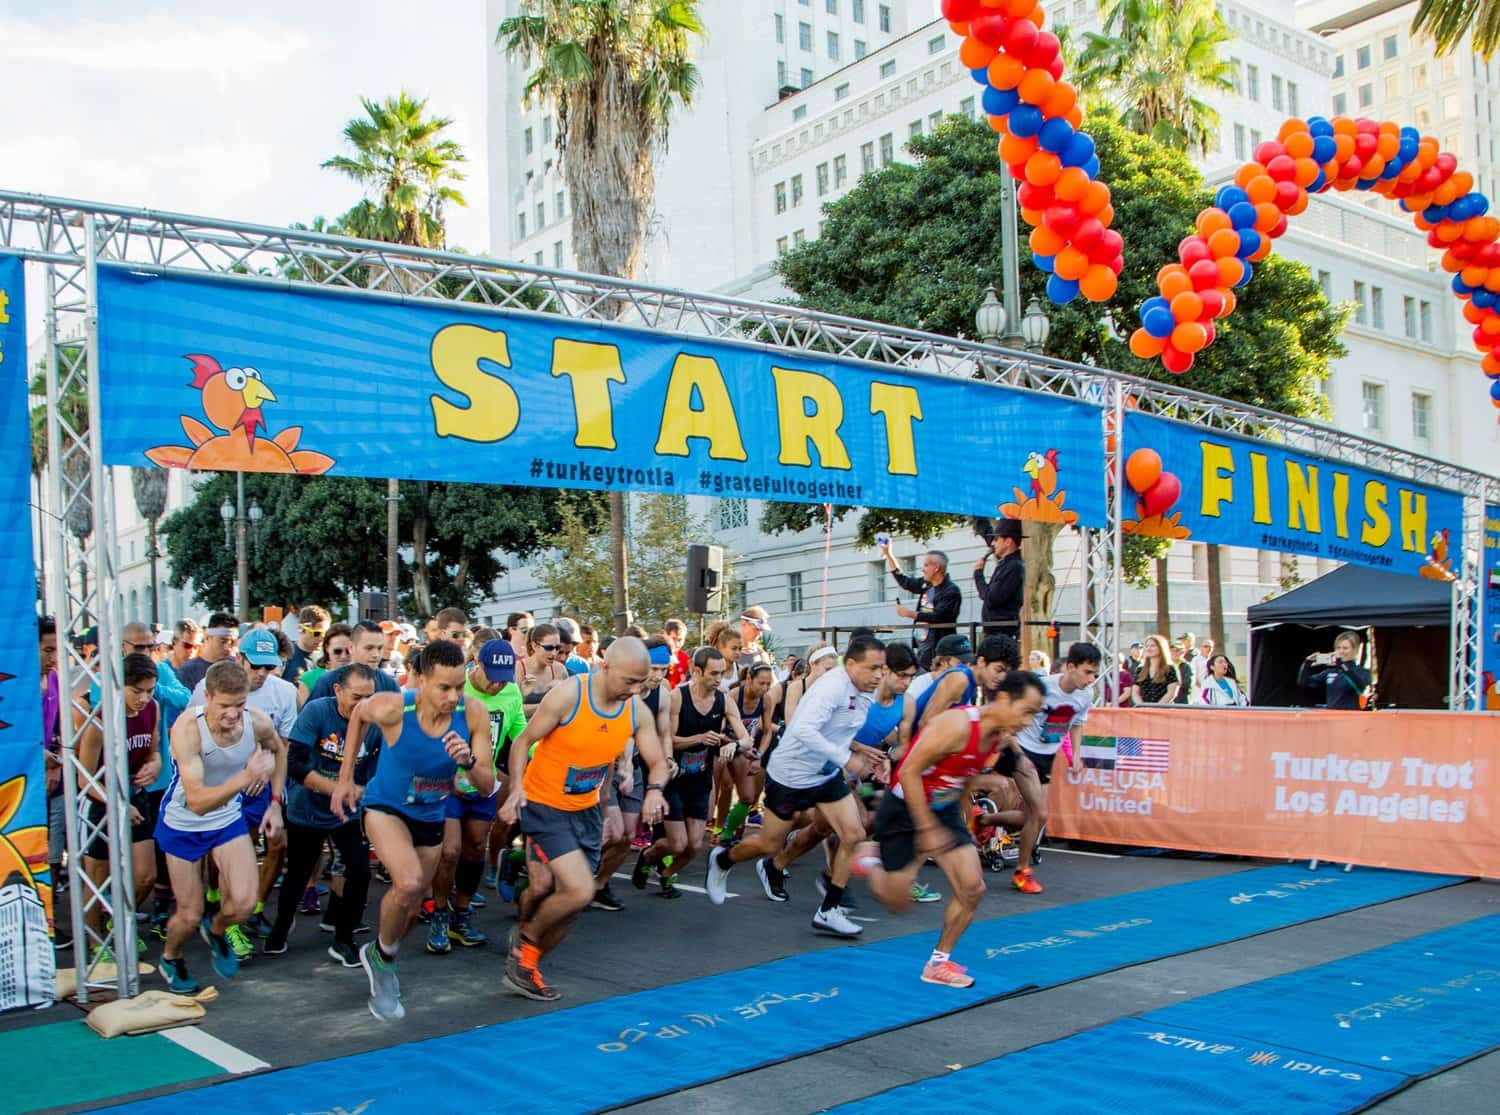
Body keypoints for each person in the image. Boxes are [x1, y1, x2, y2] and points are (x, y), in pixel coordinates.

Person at [331, 639, 494, 1021]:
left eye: (459, 686)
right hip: (385, 806)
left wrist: (467, 761)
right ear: (419, 679)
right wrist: (345, 778)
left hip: (431, 813)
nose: (453, 696)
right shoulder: (393, 707)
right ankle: (384, 960)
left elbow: (486, 787)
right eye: (443, 687)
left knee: (415, 894)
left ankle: (381, 952)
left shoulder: (473, 714)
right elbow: (357, 715)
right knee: (406, 882)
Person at [501, 637, 669, 1000]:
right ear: (605, 666)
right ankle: (524, 946)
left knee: (569, 905)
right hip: (544, 804)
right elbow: (522, 741)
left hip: (586, 811)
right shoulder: (569, 696)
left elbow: (656, 760)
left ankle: (527, 964)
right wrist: (516, 788)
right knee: (579, 890)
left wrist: (654, 789)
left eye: (641, 682)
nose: (635, 689)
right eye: (629, 681)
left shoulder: (635, 710)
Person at [854, 670, 1047, 988]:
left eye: (1034, 714)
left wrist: (964, 819)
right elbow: (910, 772)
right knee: (897, 903)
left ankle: (937, 963)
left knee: (973, 888)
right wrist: (927, 828)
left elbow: (966, 775)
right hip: (905, 808)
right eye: (1026, 711)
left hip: (943, 809)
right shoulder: (957, 725)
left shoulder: (998, 736)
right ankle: (871, 860)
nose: (1028, 721)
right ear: (1002, 699)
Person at [704, 635, 889, 939]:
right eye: (873, 669)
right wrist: (845, 758)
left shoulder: (866, 691)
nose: (879, 675)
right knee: (769, 844)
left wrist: (864, 756)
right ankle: (723, 859)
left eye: (883, 669)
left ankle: (829, 910)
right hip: (790, 776)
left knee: (853, 833)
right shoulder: (831, 688)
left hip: (825, 776)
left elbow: (842, 731)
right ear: (851, 664)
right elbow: (803, 729)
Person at [154, 661, 285, 992]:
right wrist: (246, 777)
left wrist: (274, 803)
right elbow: (197, 801)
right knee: (189, 913)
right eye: (224, 705)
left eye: (239, 704)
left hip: (226, 818)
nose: (232, 713)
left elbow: (278, 750)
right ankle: (171, 957)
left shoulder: (255, 721)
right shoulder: (187, 729)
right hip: (184, 822)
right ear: (207, 697)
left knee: (243, 903)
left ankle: (217, 929)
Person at [266, 663, 378, 966]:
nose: (364, 704)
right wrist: (336, 788)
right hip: (307, 806)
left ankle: (343, 938)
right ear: (338, 691)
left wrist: (362, 791)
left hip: (347, 811)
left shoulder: (377, 722)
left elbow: (378, 770)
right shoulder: (317, 711)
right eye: (357, 697)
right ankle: (281, 926)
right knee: (300, 871)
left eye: (370, 696)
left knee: (358, 870)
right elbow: (297, 763)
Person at [426, 639, 524, 953]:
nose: (497, 684)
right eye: (491, 675)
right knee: (450, 851)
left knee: (474, 849)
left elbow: (520, 735)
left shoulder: (510, 693)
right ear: (475, 663)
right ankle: (439, 913)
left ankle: (462, 914)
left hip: (482, 782)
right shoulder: (457, 689)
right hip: (446, 782)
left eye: (503, 678)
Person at [634, 647, 753, 897]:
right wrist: (698, 738)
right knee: (677, 843)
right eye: (714, 673)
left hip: (700, 778)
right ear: (697, 671)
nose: (719, 679)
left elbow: (746, 738)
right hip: (674, 778)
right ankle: (647, 856)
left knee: (695, 846)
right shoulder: (678, 697)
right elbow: (668, 738)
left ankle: (666, 876)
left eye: (722, 673)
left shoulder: (723, 698)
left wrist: (733, 744)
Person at [76, 653, 161, 959]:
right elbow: (84, 780)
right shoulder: (100, 720)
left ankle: (118, 922)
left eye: (149, 690)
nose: (143, 698)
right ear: (119, 686)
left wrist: (155, 763)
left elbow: (153, 751)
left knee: (146, 876)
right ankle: (94, 943)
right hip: (101, 802)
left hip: (135, 794)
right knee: (96, 879)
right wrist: (118, 805)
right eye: (136, 691)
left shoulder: (153, 708)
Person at [1010, 643, 1100, 894]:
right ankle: (1022, 871)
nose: (1091, 679)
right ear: (1070, 667)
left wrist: (1077, 756)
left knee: (1033, 816)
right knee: (1040, 813)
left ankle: (982, 819)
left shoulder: (1085, 695)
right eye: (1087, 672)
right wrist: (1015, 751)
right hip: (1024, 751)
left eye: (1094, 673)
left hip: (1048, 755)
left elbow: (1077, 725)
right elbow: (1013, 717)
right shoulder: (1043, 687)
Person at [880, 540, 963, 671]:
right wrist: (889, 555)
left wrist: (909, 614)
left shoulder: (951, 590)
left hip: (938, 647)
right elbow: (904, 581)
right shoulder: (926, 585)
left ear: (936, 568)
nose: (922, 569)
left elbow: (940, 616)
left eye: (926, 565)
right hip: (923, 645)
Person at [974, 518, 1024, 640]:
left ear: (1008, 542)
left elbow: (991, 599)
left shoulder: (1014, 566)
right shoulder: (1006, 564)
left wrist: (978, 574)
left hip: (1002, 631)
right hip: (994, 630)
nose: (993, 544)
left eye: (996, 539)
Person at [1298, 631, 1371, 710]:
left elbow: (1360, 684)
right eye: (1338, 648)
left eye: (1345, 648)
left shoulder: (1362, 671)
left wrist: (1341, 665)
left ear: (1355, 650)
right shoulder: (1331, 672)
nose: (1341, 651)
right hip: (1332, 716)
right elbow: (1303, 683)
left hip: (1351, 717)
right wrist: (1307, 663)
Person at [176, 613, 239, 691]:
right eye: (223, 641)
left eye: (231, 642)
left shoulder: (237, 667)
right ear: (207, 637)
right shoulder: (188, 671)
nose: (227, 648)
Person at [283, 606, 330, 685]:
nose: (321, 638)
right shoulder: (286, 656)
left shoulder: (328, 657)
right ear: (301, 629)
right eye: (317, 633)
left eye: (325, 634)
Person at [1131, 635, 1179, 706]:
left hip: (1164, 710)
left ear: (1161, 648)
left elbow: (1171, 693)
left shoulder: (1170, 669)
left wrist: (1156, 707)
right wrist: (1142, 706)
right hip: (1144, 711)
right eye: (1147, 646)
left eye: (1153, 646)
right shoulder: (1140, 669)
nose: (1149, 649)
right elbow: (1135, 693)